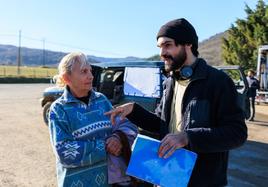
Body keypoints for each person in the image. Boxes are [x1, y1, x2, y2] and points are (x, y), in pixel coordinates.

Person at [105, 18, 247, 187]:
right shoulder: (170, 82)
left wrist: (188, 137)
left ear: (188, 44)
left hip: (203, 180)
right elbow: (161, 124)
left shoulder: (218, 82)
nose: (162, 53)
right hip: (168, 177)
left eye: (167, 45)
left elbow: (237, 133)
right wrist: (133, 110)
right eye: (160, 47)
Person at [48, 52, 138, 187]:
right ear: (67, 78)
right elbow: (65, 153)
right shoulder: (59, 109)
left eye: (90, 70)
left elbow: (127, 126)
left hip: (111, 182)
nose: (90, 76)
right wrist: (105, 146)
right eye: (84, 71)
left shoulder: (101, 100)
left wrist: (117, 138)